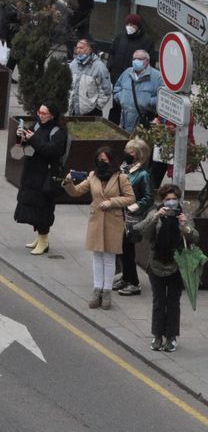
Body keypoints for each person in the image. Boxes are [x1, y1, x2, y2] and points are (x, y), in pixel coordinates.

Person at [63, 145, 135, 308]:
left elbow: (130, 198)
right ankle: (97, 290)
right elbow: (76, 192)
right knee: (97, 256)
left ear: (111, 160)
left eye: (105, 159)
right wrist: (68, 181)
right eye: (99, 159)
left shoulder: (120, 177)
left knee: (109, 258)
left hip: (113, 221)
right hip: (96, 221)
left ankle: (107, 293)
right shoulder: (92, 176)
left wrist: (112, 202)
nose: (102, 162)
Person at [133, 181, 198, 351]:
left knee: (173, 303)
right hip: (156, 265)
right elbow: (143, 232)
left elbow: (194, 237)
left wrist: (185, 227)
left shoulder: (184, 215)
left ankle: (171, 337)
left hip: (177, 266)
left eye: (174, 198)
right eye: (168, 199)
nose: (171, 202)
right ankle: (157, 336)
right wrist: (155, 218)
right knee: (159, 302)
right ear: (162, 200)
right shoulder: (155, 213)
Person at [14, 104, 67, 255]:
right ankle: (40, 237)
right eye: (39, 112)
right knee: (32, 205)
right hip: (32, 173)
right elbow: (27, 147)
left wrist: (34, 139)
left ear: (52, 115)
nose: (41, 115)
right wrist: (22, 137)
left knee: (44, 207)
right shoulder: (36, 126)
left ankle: (44, 240)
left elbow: (51, 151)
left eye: (44, 113)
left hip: (46, 176)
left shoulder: (58, 132)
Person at [116, 137, 156, 296]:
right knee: (120, 248)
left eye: (131, 152)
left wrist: (132, 207)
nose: (127, 154)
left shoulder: (143, 175)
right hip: (119, 214)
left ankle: (133, 282)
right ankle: (126, 277)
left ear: (139, 155)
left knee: (127, 249)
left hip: (133, 219)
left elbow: (148, 197)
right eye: (127, 151)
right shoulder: (124, 169)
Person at [107, 14, 156, 120]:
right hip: (118, 77)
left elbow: (150, 61)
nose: (129, 26)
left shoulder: (147, 40)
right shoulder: (120, 37)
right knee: (116, 105)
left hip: (137, 80)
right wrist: (111, 68)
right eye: (128, 24)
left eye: (132, 24)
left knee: (133, 107)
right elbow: (112, 53)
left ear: (138, 26)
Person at [114, 49, 161, 133]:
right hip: (124, 122)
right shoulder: (127, 72)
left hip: (144, 125)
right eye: (134, 59)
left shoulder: (157, 77)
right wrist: (122, 98)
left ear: (147, 61)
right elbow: (117, 89)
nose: (135, 61)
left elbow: (163, 98)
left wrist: (149, 101)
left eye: (139, 59)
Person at [67, 37, 114, 117]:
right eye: (77, 48)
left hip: (91, 113)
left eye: (81, 48)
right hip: (73, 111)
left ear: (90, 49)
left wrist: (97, 107)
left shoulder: (99, 68)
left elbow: (106, 91)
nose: (78, 50)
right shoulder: (73, 64)